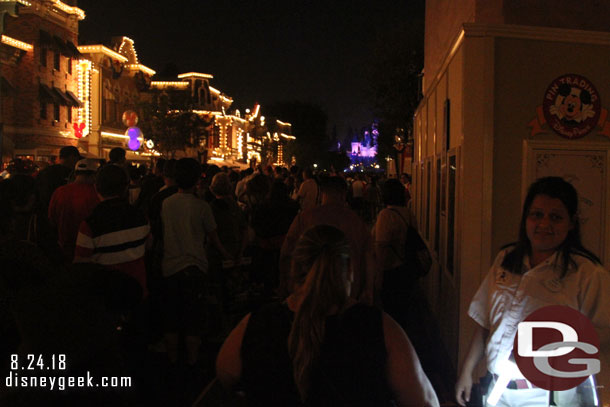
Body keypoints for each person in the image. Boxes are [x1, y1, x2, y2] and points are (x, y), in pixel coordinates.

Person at [216, 224, 440, 407]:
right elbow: (425, 401)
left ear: (293, 270)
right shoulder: (379, 328)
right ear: (350, 271)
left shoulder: (256, 325)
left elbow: (224, 379)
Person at [455, 177, 610, 407]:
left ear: (571, 223)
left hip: (548, 396)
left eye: (556, 217)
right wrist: (467, 371)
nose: (544, 224)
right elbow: (487, 322)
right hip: (497, 390)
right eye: (536, 214)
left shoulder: (587, 274)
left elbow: (602, 338)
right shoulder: (506, 260)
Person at [161, 158, 231, 366]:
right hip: (195, 268)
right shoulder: (202, 207)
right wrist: (228, 254)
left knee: (172, 320)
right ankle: (192, 364)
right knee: (194, 320)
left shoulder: (166, 203)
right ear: (197, 179)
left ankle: (172, 362)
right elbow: (214, 238)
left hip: (170, 267)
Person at [280, 176, 377, 304]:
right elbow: (368, 256)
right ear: (344, 194)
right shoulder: (356, 222)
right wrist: (368, 289)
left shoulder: (304, 218)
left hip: (308, 290)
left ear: (322, 193)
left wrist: (285, 284)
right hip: (347, 292)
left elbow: (286, 252)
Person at [74, 164, 149, 296]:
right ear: (125, 187)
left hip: (106, 294)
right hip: (137, 288)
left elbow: (81, 263)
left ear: (96, 187)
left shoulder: (90, 224)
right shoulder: (141, 216)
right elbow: (149, 245)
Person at [48, 158, 100, 263]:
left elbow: (51, 219)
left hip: (64, 248)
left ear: (75, 173)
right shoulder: (97, 194)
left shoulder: (59, 192)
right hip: (88, 250)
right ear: (95, 175)